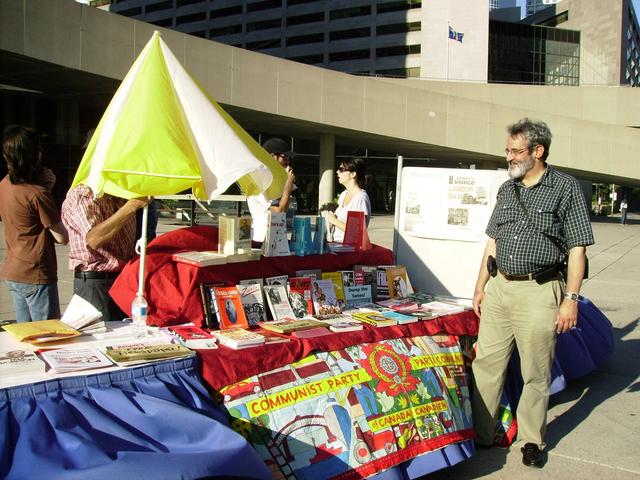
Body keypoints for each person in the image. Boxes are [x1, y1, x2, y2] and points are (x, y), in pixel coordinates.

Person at [471, 118, 594, 468]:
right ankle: (482, 434)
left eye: (516, 150)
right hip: (500, 289)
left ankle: (532, 440)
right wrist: (480, 286)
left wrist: (570, 299)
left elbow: (577, 249)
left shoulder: (565, 187)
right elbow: (492, 241)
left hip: (540, 290)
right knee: (486, 366)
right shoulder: (506, 190)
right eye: (507, 150)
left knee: (535, 372)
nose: (508, 156)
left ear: (538, 151)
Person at [0, 126, 68, 322]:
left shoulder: (4, 185)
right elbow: (62, 237)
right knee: (47, 336)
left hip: (14, 270)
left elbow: (24, 216)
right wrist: (47, 191)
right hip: (36, 272)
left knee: (26, 334)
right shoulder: (38, 194)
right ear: (35, 154)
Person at [61, 185, 151, 321]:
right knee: (100, 337)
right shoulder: (85, 194)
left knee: (125, 336)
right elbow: (94, 239)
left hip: (122, 279)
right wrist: (131, 207)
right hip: (95, 282)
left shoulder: (122, 195)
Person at [247, 137, 296, 242]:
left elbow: (284, 210)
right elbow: (279, 212)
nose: (288, 161)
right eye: (285, 157)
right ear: (273, 157)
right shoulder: (260, 181)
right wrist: (288, 185)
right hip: (263, 241)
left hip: (277, 239)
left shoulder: (275, 180)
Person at [324, 157, 371, 243]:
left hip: (350, 249)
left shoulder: (360, 198)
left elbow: (356, 232)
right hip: (337, 245)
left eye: (341, 169)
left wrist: (333, 220)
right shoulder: (343, 194)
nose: (337, 172)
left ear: (353, 174)